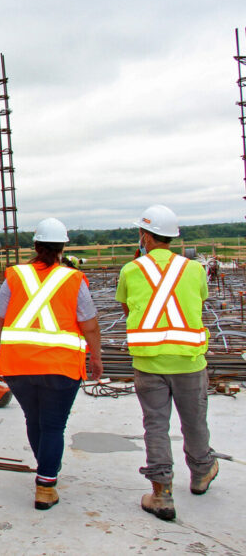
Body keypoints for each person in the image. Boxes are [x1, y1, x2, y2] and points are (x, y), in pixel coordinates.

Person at [0, 217, 103, 510]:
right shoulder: (73, 278)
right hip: (60, 369)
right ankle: (46, 484)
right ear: (63, 247)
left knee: (34, 420)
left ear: (36, 245)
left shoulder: (16, 276)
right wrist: (97, 357)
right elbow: (90, 325)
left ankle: (46, 470)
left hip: (19, 367)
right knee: (52, 426)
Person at [116, 204, 216, 522]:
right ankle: (201, 473)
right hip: (189, 361)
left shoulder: (131, 271)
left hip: (149, 363)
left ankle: (161, 494)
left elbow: (125, 309)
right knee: (195, 422)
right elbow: (197, 303)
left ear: (144, 236)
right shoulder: (195, 270)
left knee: (156, 426)